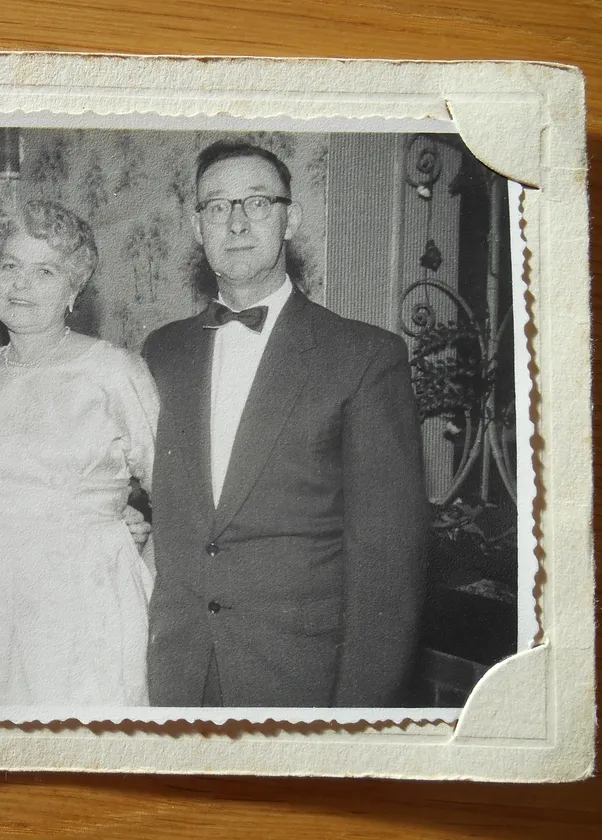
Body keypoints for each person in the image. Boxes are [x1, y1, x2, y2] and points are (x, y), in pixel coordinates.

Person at [143, 141, 429, 708]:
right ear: (197, 228)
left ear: (290, 219)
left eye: (257, 202)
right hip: (176, 666)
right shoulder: (162, 351)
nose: (238, 222)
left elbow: (390, 560)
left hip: (299, 675)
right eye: (218, 206)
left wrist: (355, 716)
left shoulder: (362, 356)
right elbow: (149, 490)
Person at [0, 200, 159, 707]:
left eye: (44, 271)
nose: (20, 284)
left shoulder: (115, 372)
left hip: (84, 589)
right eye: (9, 266)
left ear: (73, 289)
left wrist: (134, 526)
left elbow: (175, 488)